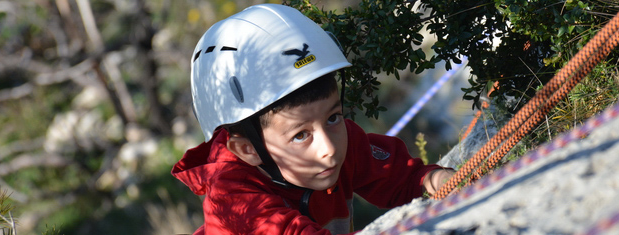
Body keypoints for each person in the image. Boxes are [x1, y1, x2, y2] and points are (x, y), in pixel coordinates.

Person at [172, 4, 455, 234]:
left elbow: (399, 178)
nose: (328, 148)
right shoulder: (234, 200)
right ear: (248, 149)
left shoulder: (338, 140)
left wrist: (433, 178)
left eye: (333, 116)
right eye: (300, 135)